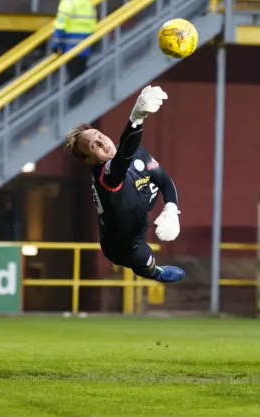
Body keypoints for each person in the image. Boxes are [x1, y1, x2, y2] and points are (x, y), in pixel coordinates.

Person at [63, 85, 185, 283]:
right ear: (89, 159)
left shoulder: (137, 154)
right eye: (93, 145)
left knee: (152, 182)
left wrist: (171, 210)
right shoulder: (105, 176)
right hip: (123, 246)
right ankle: (154, 272)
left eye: (99, 136)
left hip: (138, 208)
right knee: (145, 263)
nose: (103, 143)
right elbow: (123, 157)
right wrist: (136, 118)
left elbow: (164, 180)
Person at [51, 0, 97, 106]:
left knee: (71, 77)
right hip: (85, 48)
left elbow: (60, 26)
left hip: (70, 48)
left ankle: (71, 106)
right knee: (80, 77)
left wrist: (55, 44)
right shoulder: (88, 4)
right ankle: (79, 103)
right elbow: (93, 25)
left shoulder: (67, 4)